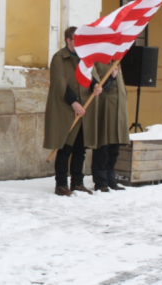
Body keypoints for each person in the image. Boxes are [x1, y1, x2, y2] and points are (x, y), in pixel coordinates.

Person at [44, 26, 102, 196]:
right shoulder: (59, 58)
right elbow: (60, 84)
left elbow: (91, 76)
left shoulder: (84, 58)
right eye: (78, 40)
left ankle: (77, 182)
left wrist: (95, 85)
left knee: (80, 148)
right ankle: (61, 184)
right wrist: (74, 103)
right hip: (67, 109)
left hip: (84, 108)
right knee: (65, 148)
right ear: (69, 40)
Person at [92, 62, 130, 192]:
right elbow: (100, 89)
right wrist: (112, 77)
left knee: (114, 148)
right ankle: (101, 181)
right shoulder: (98, 63)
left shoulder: (117, 61)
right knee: (103, 147)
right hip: (106, 108)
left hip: (119, 110)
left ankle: (111, 180)